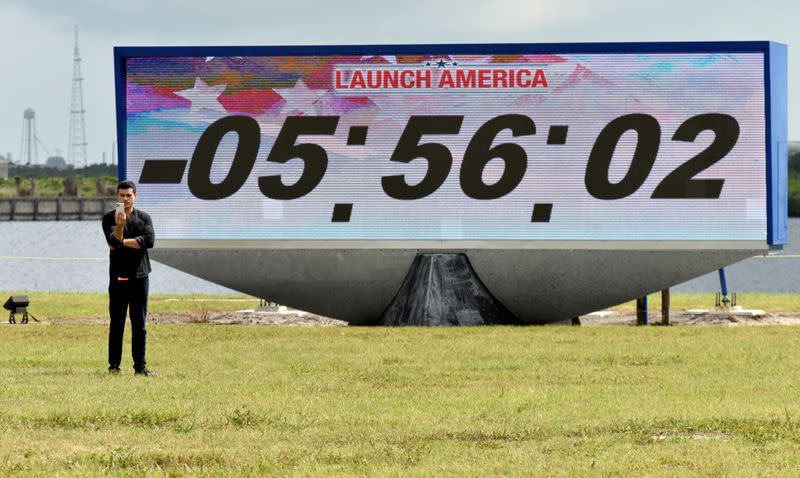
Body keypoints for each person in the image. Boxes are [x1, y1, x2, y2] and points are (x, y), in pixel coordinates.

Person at [102, 180, 155, 376]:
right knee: (117, 323)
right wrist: (120, 227)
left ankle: (140, 367)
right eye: (122, 195)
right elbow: (112, 243)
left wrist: (122, 241)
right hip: (118, 278)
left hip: (140, 276)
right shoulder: (109, 218)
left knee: (139, 325)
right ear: (117, 196)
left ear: (135, 196)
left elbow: (148, 241)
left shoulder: (144, 218)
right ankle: (114, 366)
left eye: (129, 195)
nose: (125, 199)